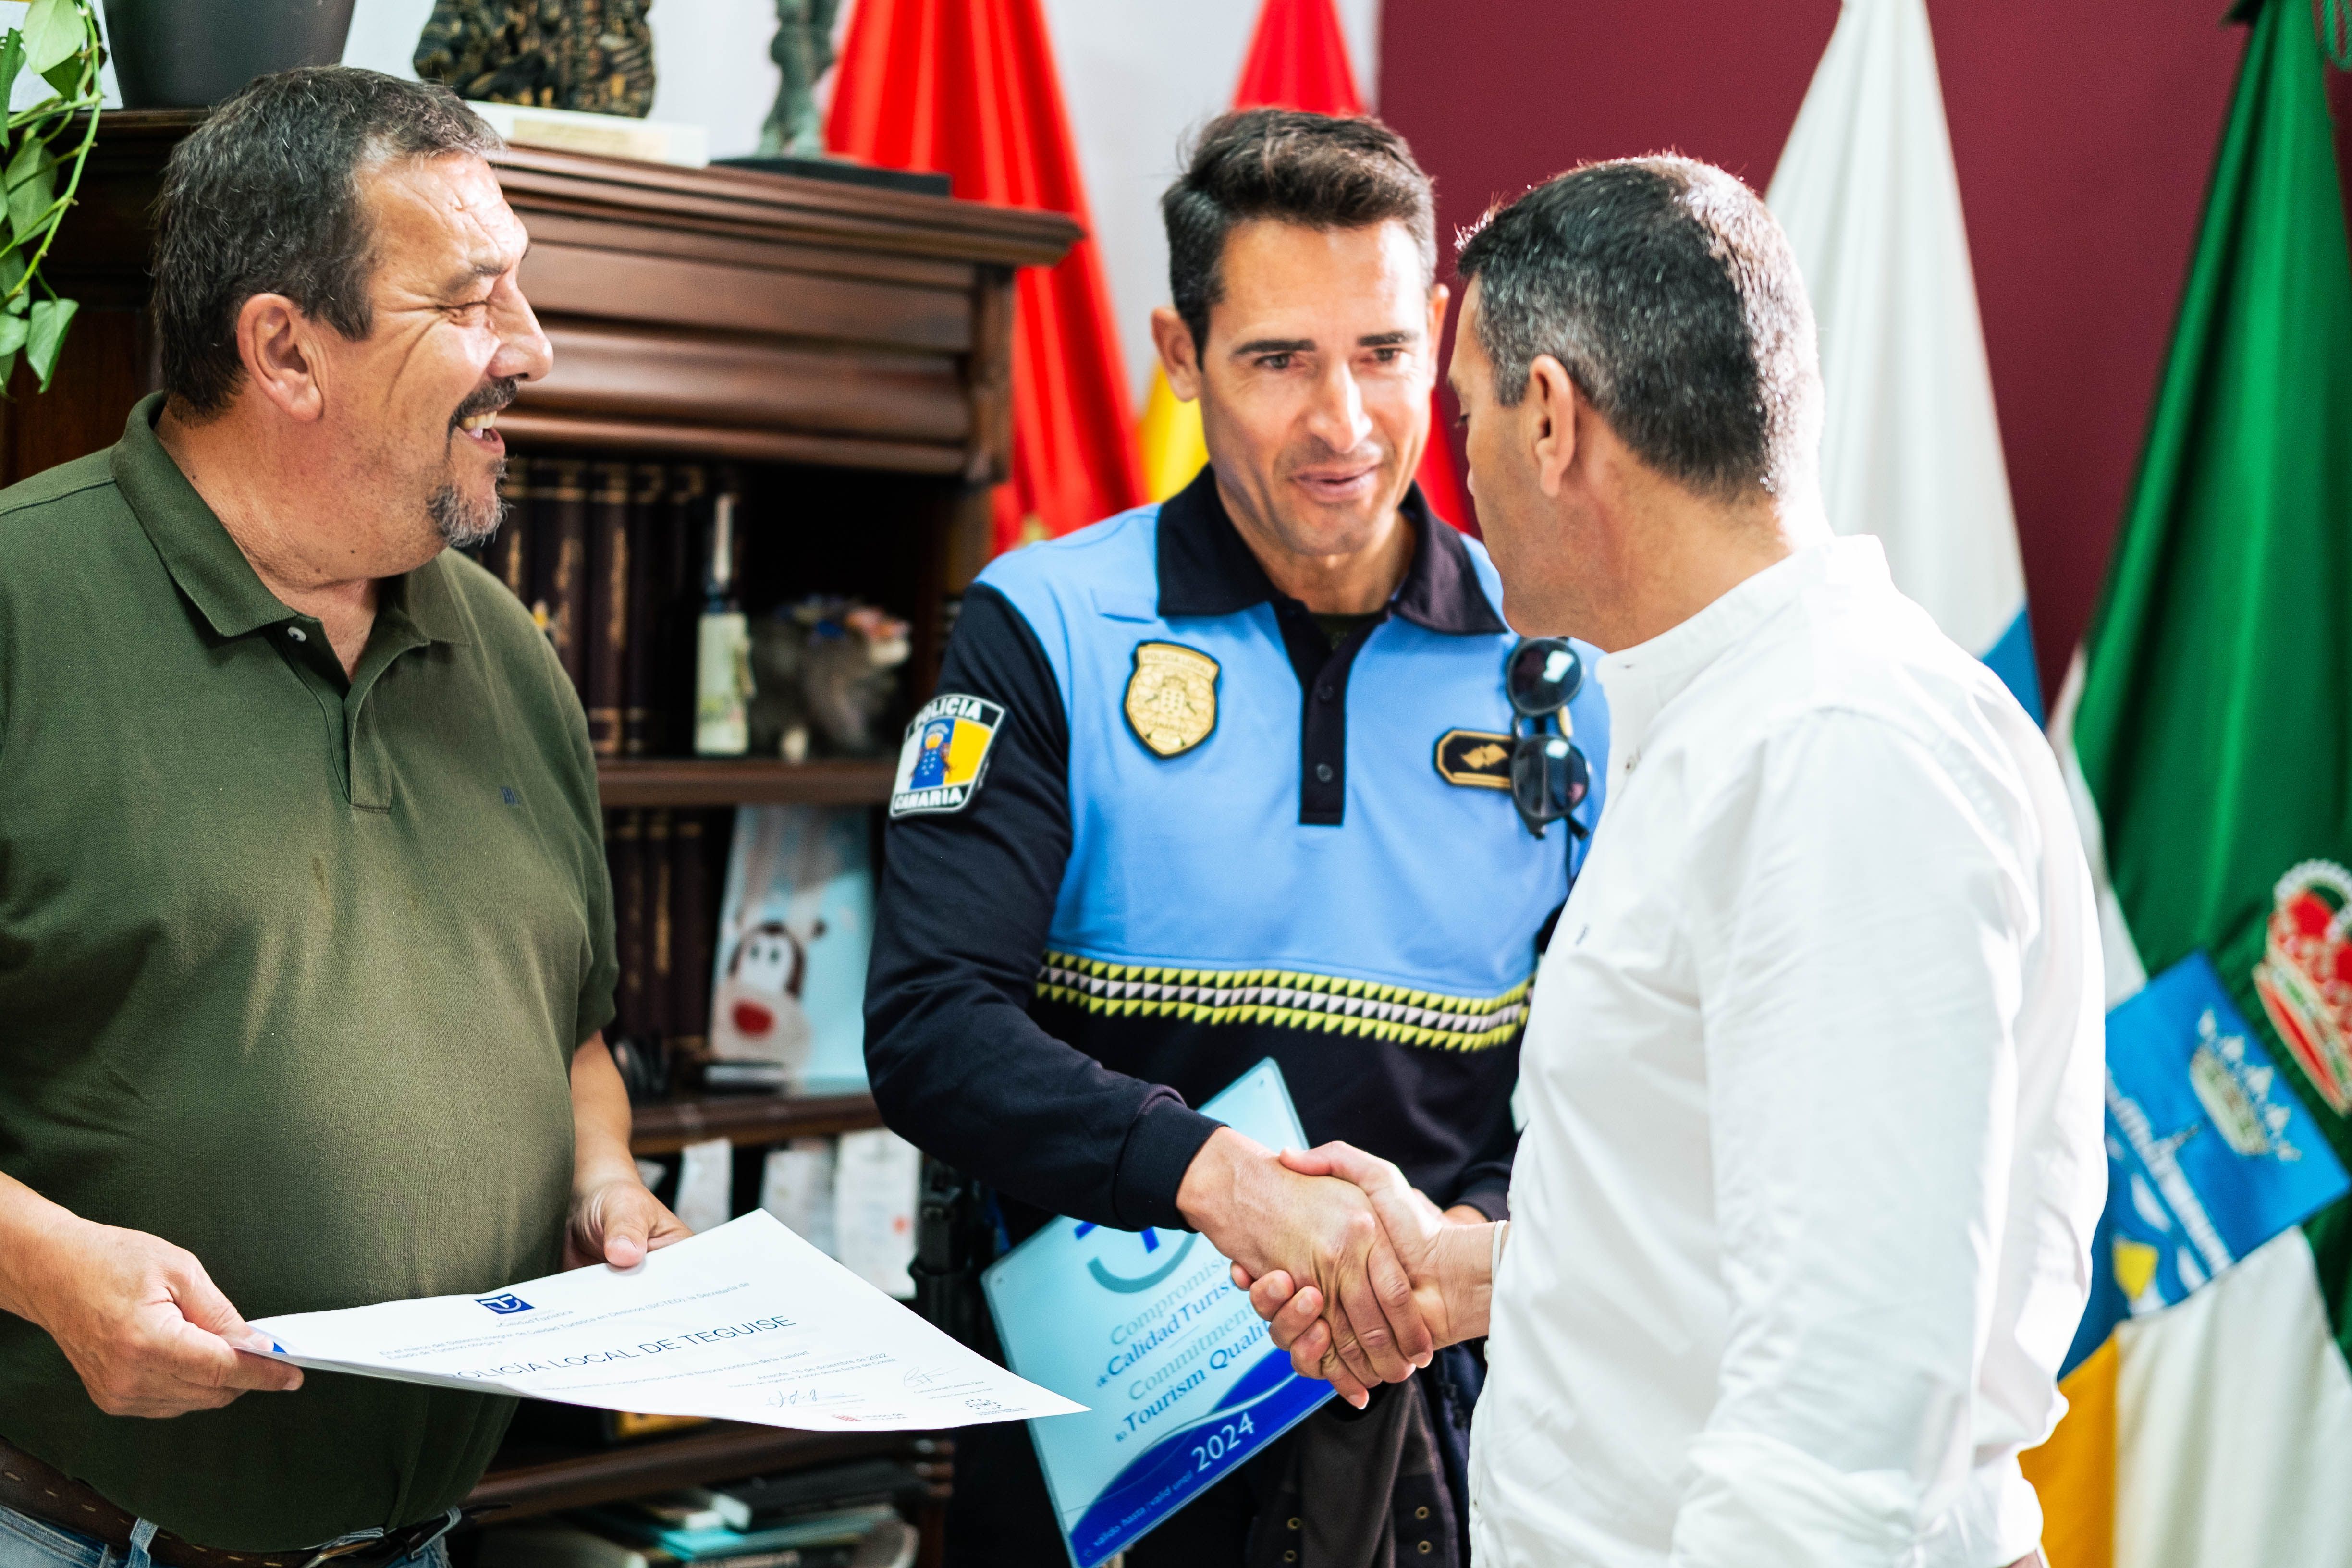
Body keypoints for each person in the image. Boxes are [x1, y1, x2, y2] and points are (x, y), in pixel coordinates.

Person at [1243, 157, 2102, 1568]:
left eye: (1463, 417)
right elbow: (1736, 1237)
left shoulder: (1839, 751)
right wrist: (1480, 1274)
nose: (1451, 478)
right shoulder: (1742, 720)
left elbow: (1842, 1406)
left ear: (1552, 421)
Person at [863, 109, 1607, 1567]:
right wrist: (1233, 1190)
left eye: (1384, 353)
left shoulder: (1563, 672)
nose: (1344, 422)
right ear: (1181, 354)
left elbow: (1606, 1081)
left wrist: (1427, 1268)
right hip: (1090, 1474)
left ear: (1442, 339)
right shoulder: (1047, 628)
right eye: (1279, 359)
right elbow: (932, 1025)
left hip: (1442, 1452)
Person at [0, 68, 685, 1567]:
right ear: (286, 351)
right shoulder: (17, 608)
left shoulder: (509, 650)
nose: (534, 350)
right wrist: (42, 1266)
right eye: (474, 300)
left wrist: (601, 1180)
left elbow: (566, 1035)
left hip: (415, 1540)